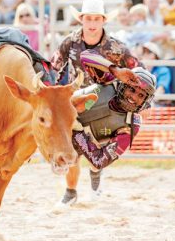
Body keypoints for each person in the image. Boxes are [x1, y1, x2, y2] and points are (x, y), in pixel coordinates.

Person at [59, 50, 157, 205]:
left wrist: (77, 131)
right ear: (124, 84)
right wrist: (115, 70)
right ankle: (70, 192)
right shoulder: (110, 80)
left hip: (92, 139)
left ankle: (95, 177)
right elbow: (85, 55)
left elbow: (99, 160)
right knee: (69, 160)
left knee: (95, 165)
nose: (133, 97)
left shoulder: (131, 125)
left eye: (140, 96)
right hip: (67, 114)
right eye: (132, 89)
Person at [51, 0, 143, 88]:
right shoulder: (69, 42)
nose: (92, 24)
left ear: (103, 20)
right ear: (81, 19)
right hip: (76, 99)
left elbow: (140, 70)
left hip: (106, 101)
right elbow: (53, 69)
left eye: (97, 18)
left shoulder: (117, 47)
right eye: (88, 18)